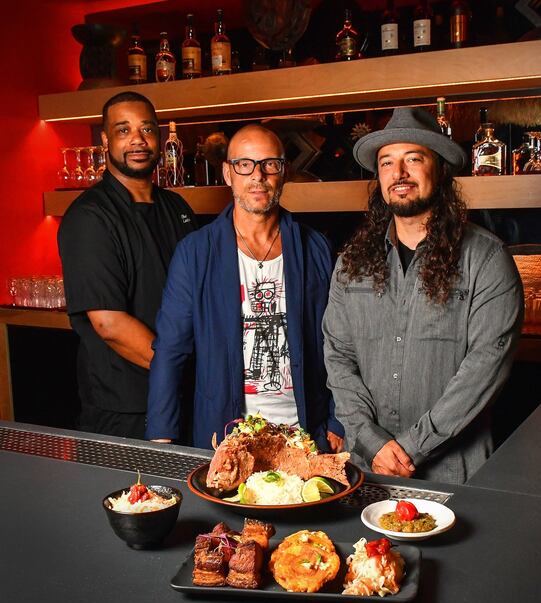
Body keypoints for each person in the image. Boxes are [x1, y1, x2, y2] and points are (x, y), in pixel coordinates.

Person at [322, 107, 523, 484]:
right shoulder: (352, 262)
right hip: (367, 474)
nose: (398, 174)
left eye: (413, 159)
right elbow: (338, 358)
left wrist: (411, 447)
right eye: (386, 163)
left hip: (455, 476)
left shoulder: (487, 260)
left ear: (441, 169)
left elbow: (483, 372)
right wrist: (372, 441)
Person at [146, 124, 344, 452]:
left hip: (306, 438)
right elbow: (170, 352)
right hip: (226, 441)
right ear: (227, 173)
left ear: (285, 171)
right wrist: (160, 442)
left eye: (270, 164)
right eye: (245, 165)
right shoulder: (195, 252)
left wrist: (337, 422)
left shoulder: (315, 247)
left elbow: (340, 343)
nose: (258, 175)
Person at [58, 91, 198, 439]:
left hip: (185, 391)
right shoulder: (89, 217)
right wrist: (184, 368)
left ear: (159, 137)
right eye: (123, 130)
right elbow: (110, 324)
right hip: (127, 405)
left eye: (146, 129)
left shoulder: (176, 207)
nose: (137, 140)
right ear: (105, 141)